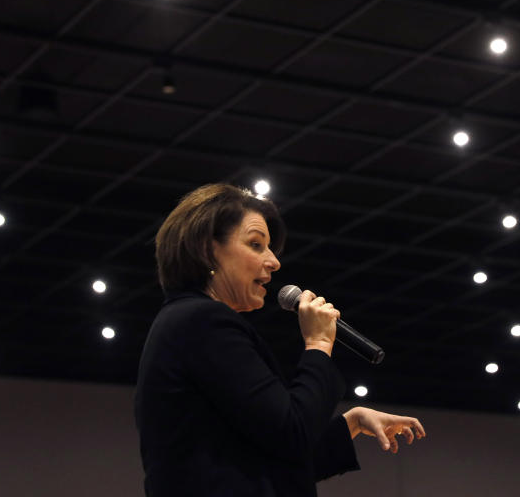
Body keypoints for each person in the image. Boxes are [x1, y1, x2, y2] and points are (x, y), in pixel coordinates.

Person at [135, 183, 425, 496]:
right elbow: (291, 433)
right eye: (256, 245)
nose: (274, 261)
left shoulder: (187, 322)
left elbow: (274, 459)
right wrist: (317, 344)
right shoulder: (202, 322)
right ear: (208, 249)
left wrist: (351, 423)